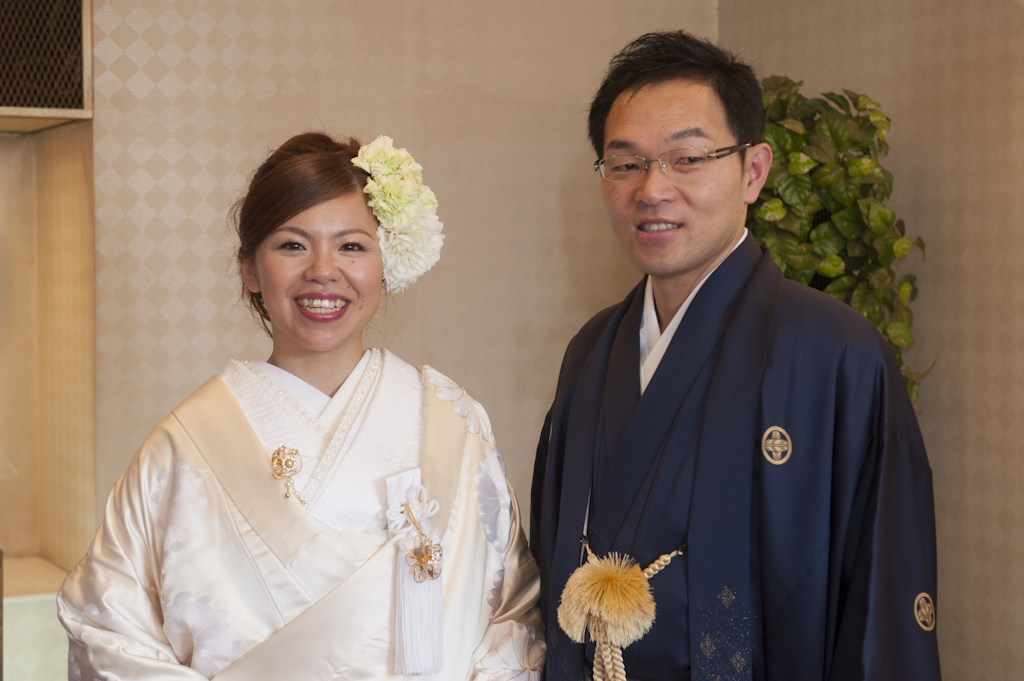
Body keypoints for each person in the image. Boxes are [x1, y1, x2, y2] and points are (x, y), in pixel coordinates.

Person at [58, 132, 545, 680]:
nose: (322, 270)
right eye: (292, 245)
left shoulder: (451, 420)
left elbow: (512, 614)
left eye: (352, 246)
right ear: (249, 268)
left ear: (387, 264)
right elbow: (108, 629)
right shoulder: (184, 445)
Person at [530, 31, 940, 681]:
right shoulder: (592, 349)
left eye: (687, 158)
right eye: (626, 163)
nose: (652, 189)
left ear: (753, 171)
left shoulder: (838, 356)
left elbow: (882, 616)